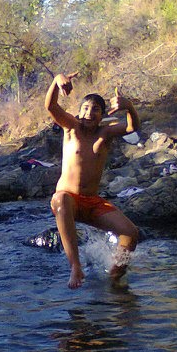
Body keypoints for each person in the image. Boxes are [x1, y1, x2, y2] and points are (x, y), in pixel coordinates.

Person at [45, 72, 141, 289]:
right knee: (60, 199)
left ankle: (115, 277)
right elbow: (51, 106)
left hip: (92, 202)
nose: (89, 113)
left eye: (95, 109)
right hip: (68, 200)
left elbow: (131, 127)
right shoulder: (71, 128)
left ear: (102, 115)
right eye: (86, 108)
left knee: (131, 233)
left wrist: (129, 107)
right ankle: (75, 266)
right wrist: (56, 80)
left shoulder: (105, 133)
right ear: (79, 112)